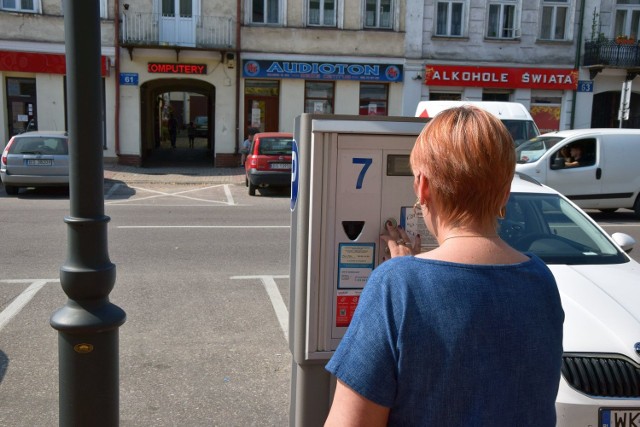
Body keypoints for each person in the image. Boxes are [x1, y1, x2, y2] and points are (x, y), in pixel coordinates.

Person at [324, 106, 564, 426]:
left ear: (423, 186)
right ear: (505, 193)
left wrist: (403, 277)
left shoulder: (397, 286)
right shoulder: (540, 280)